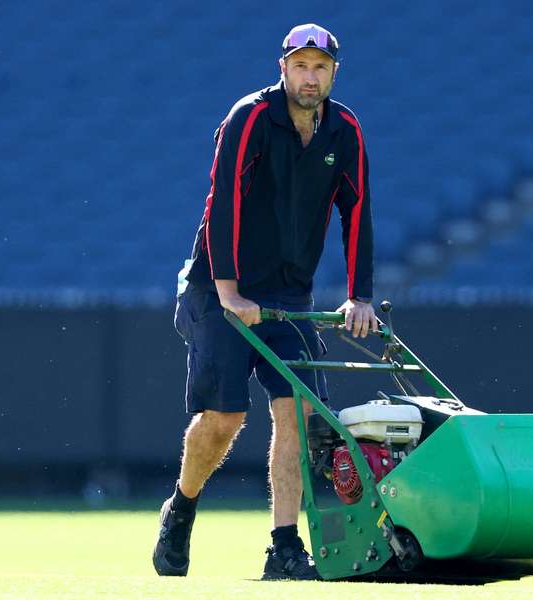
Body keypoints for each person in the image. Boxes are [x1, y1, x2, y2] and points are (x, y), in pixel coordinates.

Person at [153, 23, 376, 581]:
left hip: (288, 293)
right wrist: (229, 289)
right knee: (224, 419)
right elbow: (223, 201)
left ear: (333, 74)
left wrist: (360, 297)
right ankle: (182, 506)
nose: (309, 76)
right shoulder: (249, 117)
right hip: (218, 284)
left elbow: (357, 211)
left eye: (320, 68)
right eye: (300, 66)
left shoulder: (345, 129)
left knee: (299, 415)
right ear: (283, 69)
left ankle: (284, 546)